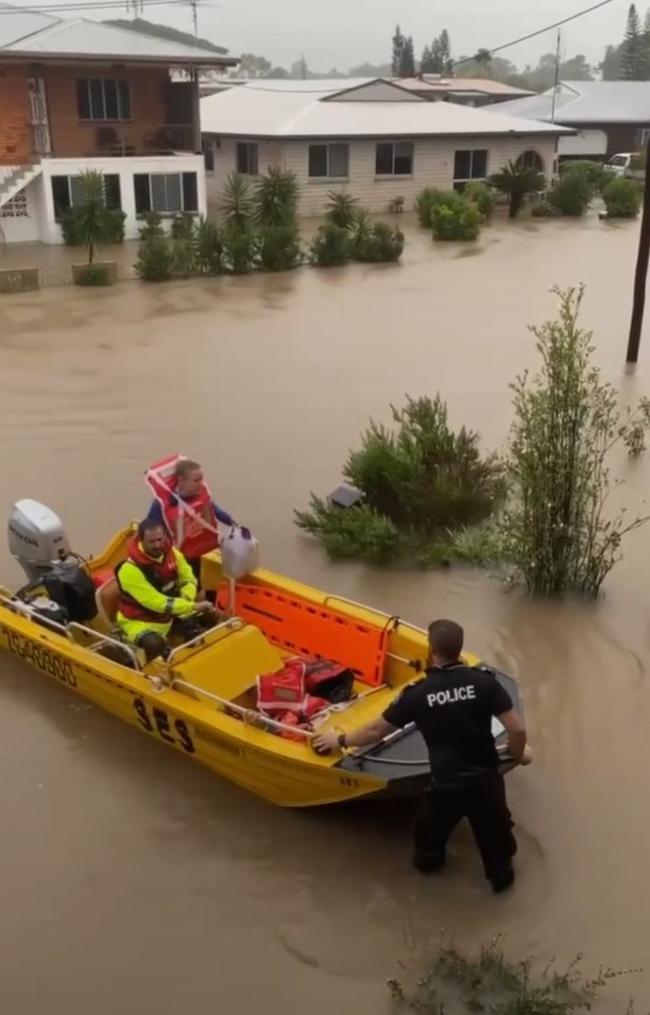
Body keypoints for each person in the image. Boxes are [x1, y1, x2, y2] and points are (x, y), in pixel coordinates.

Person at [313, 619, 527, 893]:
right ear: (460, 649)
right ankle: (500, 893)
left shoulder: (419, 694)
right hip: (487, 783)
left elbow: (376, 731)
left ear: (431, 649)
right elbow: (517, 729)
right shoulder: (484, 683)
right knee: (500, 865)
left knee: (428, 854)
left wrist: (339, 739)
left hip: (445, 786)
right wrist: (516, 754)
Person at [115, 519, 212, 662]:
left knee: (209, 616)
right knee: (154, 644)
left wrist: (187, 596)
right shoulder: (129, 570)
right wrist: (191, 606)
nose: (157, 545)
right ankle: (151, 672)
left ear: (165, 537)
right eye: (152, 542)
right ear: (141, 541)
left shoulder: (172, 553)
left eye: (160, 540)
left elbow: (189, 579)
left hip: (173, 610)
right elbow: (157, 603)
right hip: (142, 620)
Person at [144, 457, 237, 583]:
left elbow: (214, 510)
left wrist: (232, 522)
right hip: (183, 555)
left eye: (201, 479)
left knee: (207, 581)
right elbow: (150, 528)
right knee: (191, 583)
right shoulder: (163, 505)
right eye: (196, 480)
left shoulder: (202, 495)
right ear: (181, 481)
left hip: (205, 549)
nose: (201, 483)